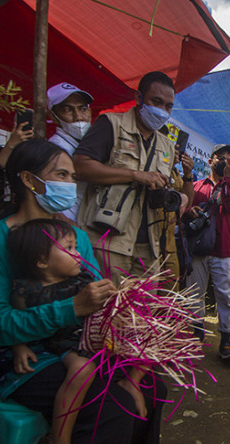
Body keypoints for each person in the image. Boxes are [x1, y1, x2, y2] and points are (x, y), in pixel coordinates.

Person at [0, 139, 165, 444]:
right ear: (29, 180)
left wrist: (120, 309)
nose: (70, 185)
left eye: (72, 177)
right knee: (113, 407)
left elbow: (97, 297)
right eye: (61, 175)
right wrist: (71, 308)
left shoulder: (75, 236)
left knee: (151, 386)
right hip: (24, 361)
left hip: (78, 347)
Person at [3, 218, 148, 444]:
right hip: (65, 344)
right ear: (42, 262)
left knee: (146, 339)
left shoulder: (82, 279)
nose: (78, 252)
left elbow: (106, 303)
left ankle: (133, 382)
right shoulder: (26, 290)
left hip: (93, 336)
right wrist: (19, 346)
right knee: (83, 370)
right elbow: (15, 321)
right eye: (69, 248)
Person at [74, 71, 194, 285]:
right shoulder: (111, 124)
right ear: (139, 98)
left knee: (141, 315)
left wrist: (177, 197)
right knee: (106, 311)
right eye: (156, 102)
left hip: (150, 247)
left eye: (168, 106)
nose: (161, 111)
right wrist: (135, 175)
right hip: (108, 241)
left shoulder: (166, 145)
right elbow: (80, 166)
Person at [185, 143, 230, 358]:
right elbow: (186, 208)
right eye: (222, 158)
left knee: (226, 297)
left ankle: (226, 341)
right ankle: (197, 335)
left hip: (224, 250)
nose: (226, 161)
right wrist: (190, 211)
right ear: (211, 161)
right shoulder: (198, 186)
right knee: (195, 294)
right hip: (198, 248)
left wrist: (227, 179)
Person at [46, 82, 95, 222]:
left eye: (83, 109)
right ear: (54, 116)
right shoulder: (55, 148)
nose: (78, 117)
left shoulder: (91, 143)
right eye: (68, 110)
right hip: (67, 223)